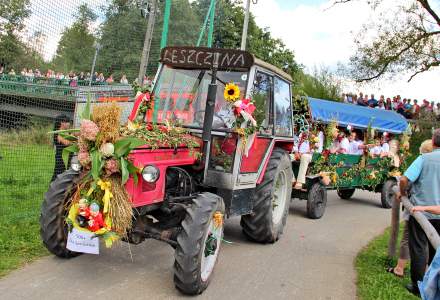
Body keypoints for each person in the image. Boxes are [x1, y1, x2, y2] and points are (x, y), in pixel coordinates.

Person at [396, 129, 440, 296]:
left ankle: (418, 285)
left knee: (419, 249)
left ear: (433, 142)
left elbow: (404, 179)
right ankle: (433, 282)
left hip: (421, 212)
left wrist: (404, 193)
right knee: (437, 249)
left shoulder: (424, 158)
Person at [387, 140, 433, 278]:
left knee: (410, 239)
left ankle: (400, 268)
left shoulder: (422, 161)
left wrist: (402, 192)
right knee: (430, 242)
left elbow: (405, 181)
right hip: (436, 210)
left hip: (418, 208)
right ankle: (427, 272)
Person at [51, 114, 73, 182]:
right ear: (62, 123)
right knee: (58, 174)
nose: (69, 124)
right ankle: (52, 190)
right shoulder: (58, 133)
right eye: (67, 122)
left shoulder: (67, 132)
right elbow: (67, 143)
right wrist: (74, 137)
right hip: (61, 159)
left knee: (65, 175)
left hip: (68, 158)